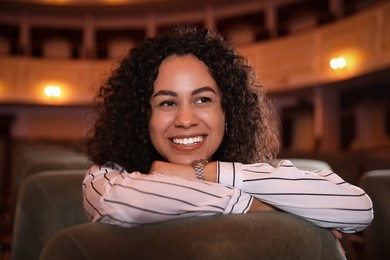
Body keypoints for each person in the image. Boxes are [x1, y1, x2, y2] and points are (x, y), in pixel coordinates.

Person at [83, 25, 373, 234]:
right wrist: (265, 207)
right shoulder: (106, 176)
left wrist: (206, 173)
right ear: (141, 116)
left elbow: (358, 208)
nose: (185, 119)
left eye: (203, 99)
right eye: (167, 102)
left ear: (228, 111)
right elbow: (120, 202)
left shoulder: (252, 173)